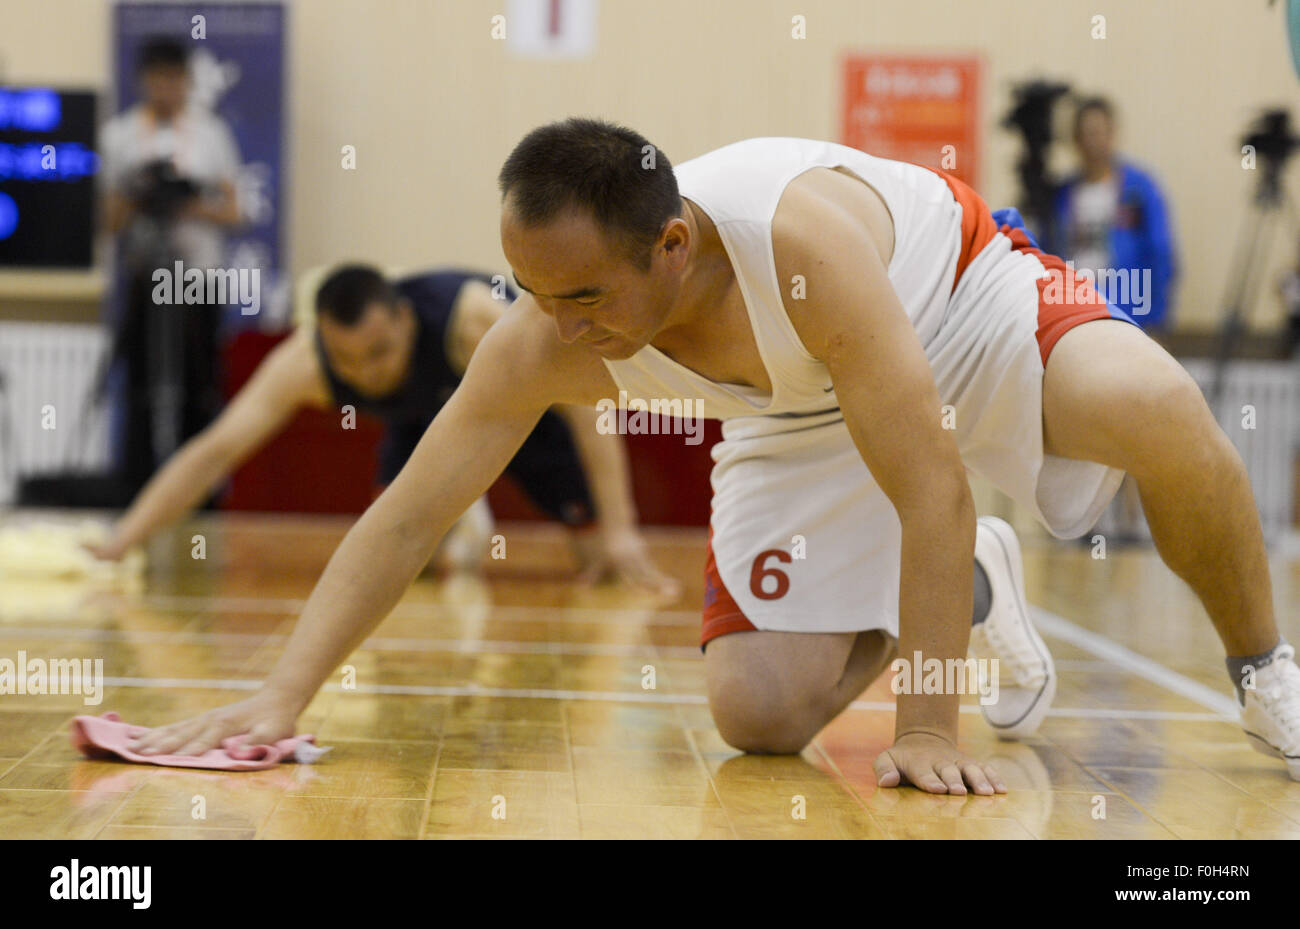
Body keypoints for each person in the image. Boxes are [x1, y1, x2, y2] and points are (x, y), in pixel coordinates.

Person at [130, 120, 1300, 794]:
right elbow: (405, 511)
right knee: (756, 714)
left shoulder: (800, 249)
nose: (556, 323)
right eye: (534, 291)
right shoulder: (544, 329)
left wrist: (930, 727)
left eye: (583, 293)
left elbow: (932, 478)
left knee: (1163, 409)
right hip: (789, 413)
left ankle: (1265, 674)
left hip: (954, 304)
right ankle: (973, 583)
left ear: (675, 247)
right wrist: (281, 692)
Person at [87, 263, 679, 596]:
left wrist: (623, 528)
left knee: (598, 561)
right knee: (402, 564)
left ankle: (468, 518)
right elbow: (216, 450)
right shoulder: (305, 363)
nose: (367, 375)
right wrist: (123, 540)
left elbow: (587, 408)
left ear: (403, 318)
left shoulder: (474, 322)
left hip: (525, 409)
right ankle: (457, 521)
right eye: (349, 363)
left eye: (380, 353)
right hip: (421, 423)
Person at [99, 35, 243, 494]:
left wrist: (188, 202)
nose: (165, 88)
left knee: (199, 387)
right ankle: (137, 491)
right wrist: (134, 191)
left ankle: (197, 493)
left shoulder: (210, 133)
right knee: (140, 387)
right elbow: (109, 222)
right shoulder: (119, 135)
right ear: (144, 80)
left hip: (198, 278)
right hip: (146, 273)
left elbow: (236, 212)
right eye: (156, 79)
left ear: (186, 81)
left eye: (174, 79)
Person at [1047, 96, 1178, 331]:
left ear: (1112, 133)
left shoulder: (1139, 189)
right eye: (1087, 134)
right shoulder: (1062, 194)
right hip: (1073, 311)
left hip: (1126, 311)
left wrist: (1157, 318)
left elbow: (1160, 251)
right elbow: (1048, 252)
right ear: (1076, 140)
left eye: (1100, 132)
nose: (1094, 142)